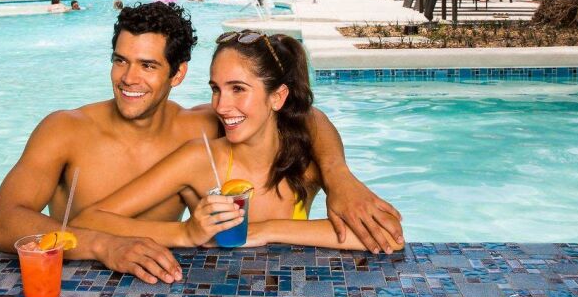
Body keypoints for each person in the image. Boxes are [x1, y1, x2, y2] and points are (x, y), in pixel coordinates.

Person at [0, 3, 404, 282]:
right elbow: (4, 223)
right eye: (120, 60)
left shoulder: (203, 127)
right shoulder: (65, 129)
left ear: (178, 74)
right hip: (74, 286)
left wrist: (338, 176)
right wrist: (102, 245)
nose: (129, 78)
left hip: (170, 282)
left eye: (148, 65)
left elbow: (303, 117)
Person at [74, 32, 398, 252]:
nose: (221, 105)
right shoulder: (200, 159)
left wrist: (264, 230)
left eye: (238, 89)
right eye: (216, 89)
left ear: (277, 97)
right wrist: (186, 233)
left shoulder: (304, 164)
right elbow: (89, 220)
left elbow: (390, 237)